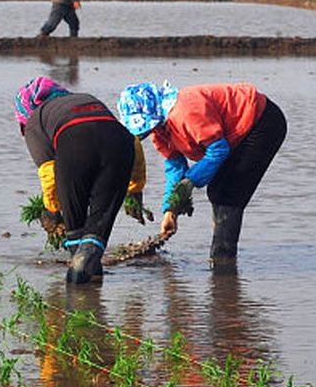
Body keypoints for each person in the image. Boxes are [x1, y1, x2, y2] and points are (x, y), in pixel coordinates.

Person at [114, 81, 286, 265]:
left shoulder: (186, 112)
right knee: (219, 190)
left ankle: (223, 260)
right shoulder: (160, 132)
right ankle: (222, 265)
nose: (146, 132)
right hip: (232, 138)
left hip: (260, 121)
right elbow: (175, 167)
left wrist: (189, 183)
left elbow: (218, 150)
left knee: (227, 193)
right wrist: (170, 210)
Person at [16, 77, 150, 284]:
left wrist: (52, 211)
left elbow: (49, 173)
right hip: (121, 147)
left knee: (76, 233)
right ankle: (92, 285)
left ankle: (76, 294)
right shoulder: (86, 99)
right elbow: (133, 142)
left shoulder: (35, 121)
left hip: (75, 144)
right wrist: (134, 190)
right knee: (97, 228)